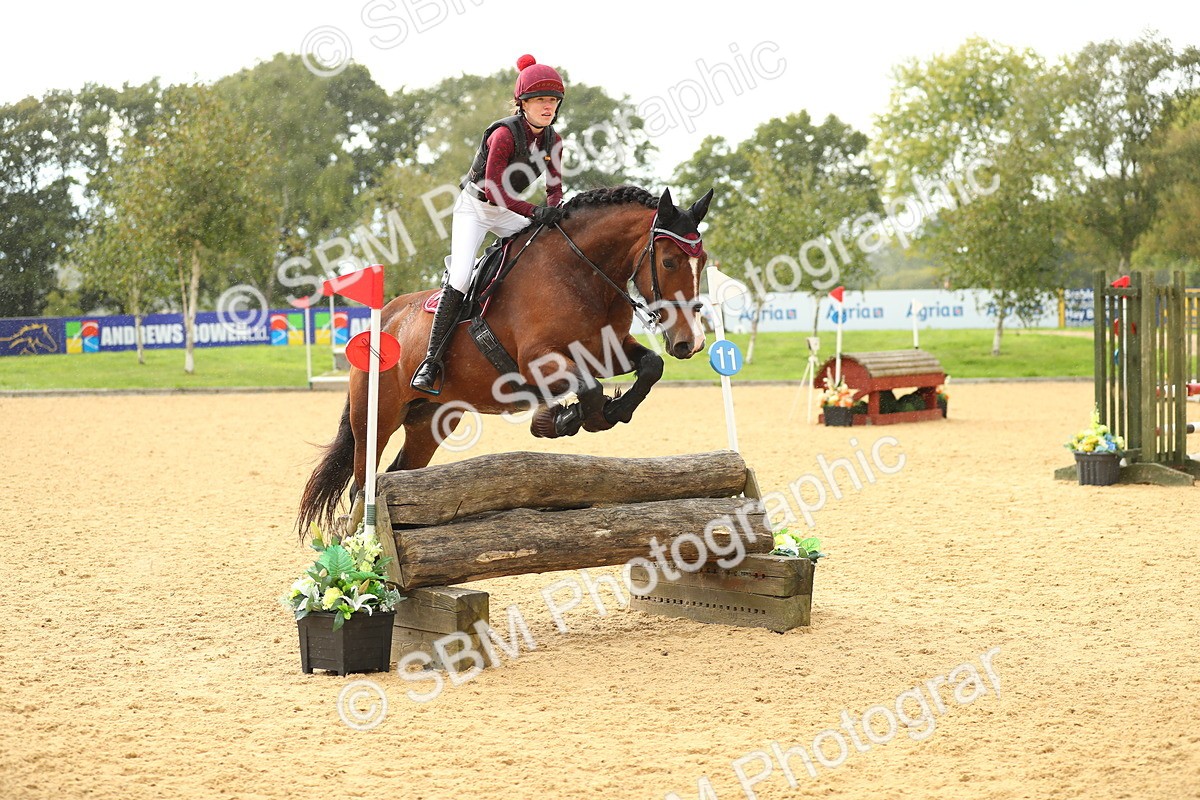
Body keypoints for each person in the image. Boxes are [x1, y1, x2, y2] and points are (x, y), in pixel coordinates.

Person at [410, 54, 568, 395]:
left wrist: (554, 211)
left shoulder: (553, 142)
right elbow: (494, 189)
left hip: (509, 212)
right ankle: (430, 362)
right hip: (476, 208)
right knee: (462, 276)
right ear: (522, 103)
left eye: (553, 101)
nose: (548, 107)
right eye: (540, 100)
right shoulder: (504, 135)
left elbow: (554, 190)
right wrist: (533, 212)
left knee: (546, 254)